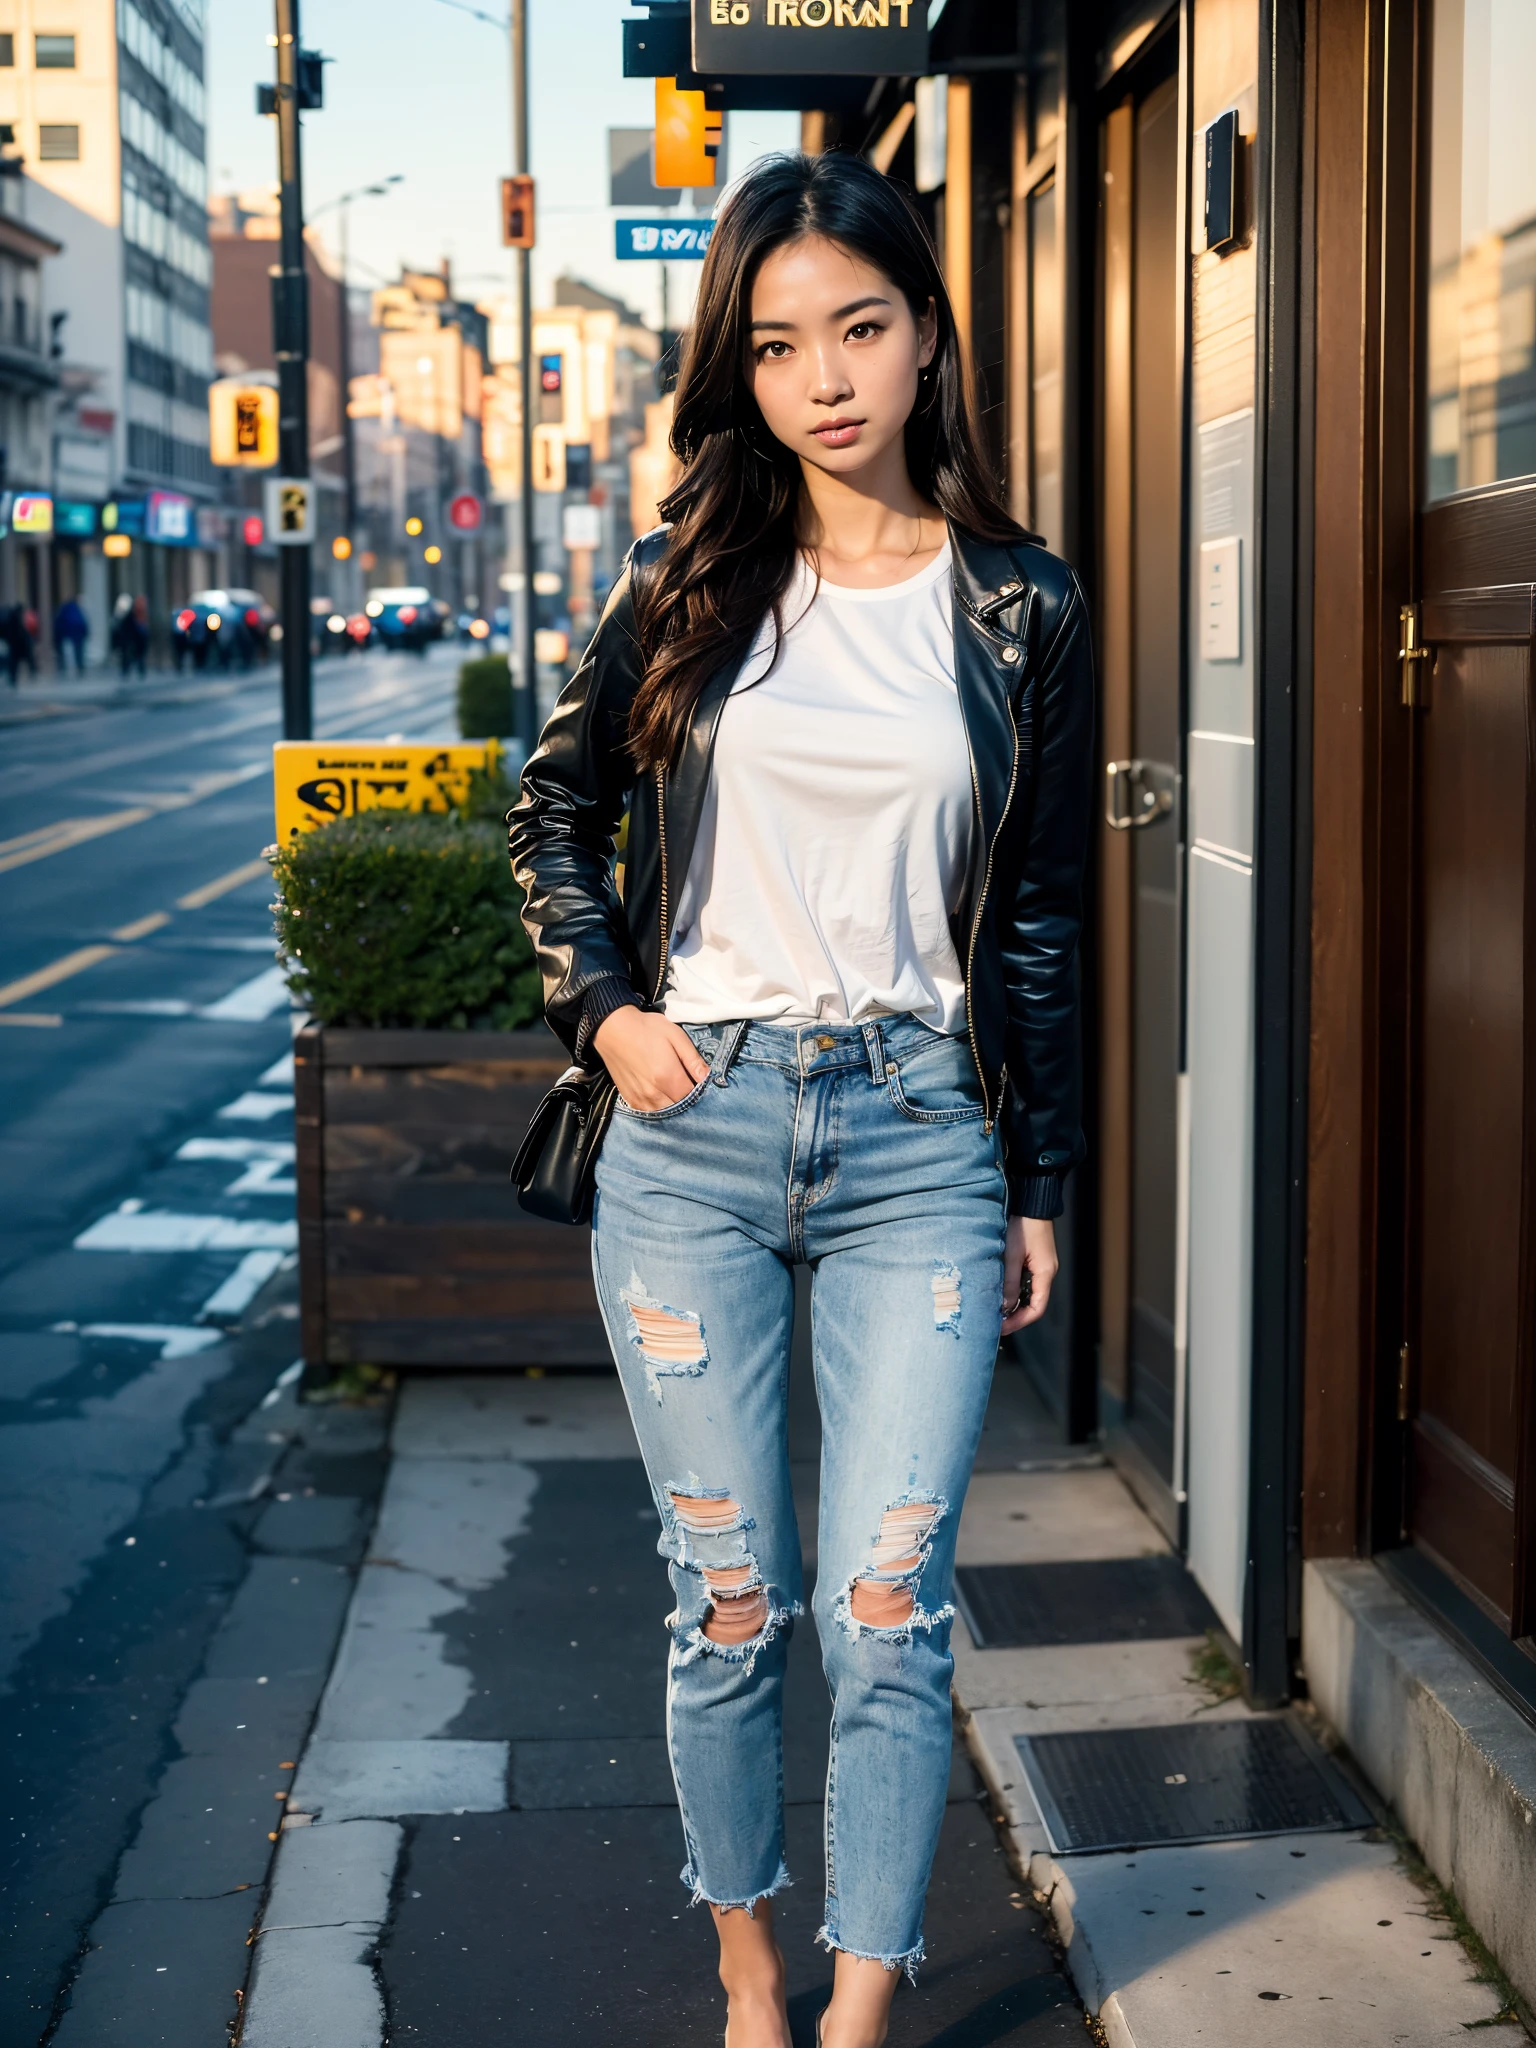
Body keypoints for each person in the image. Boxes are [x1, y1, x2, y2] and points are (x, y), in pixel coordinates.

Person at [510, 152, 1093, 2048]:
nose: (824, 377)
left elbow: (1040, 912)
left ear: (926, 335)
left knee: (889, 1605)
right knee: (733, 1602)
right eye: (776, 345)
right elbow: (555, 806)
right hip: (694, 1137)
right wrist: (604, 1013)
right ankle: (749, 1982)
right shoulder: (693, 577)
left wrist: (1041, 1176)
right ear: (740, 373)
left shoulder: (1020, 604)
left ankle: (856, 2009)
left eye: (858, 328)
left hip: (922, 1135)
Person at [54, 594, 89, 672]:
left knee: (75, 650)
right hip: (77, 633)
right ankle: (79, 666)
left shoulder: (68, 609)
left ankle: (71, 665)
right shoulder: (75, 609)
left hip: (72, 633)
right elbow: (81, 622)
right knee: (78, 651)